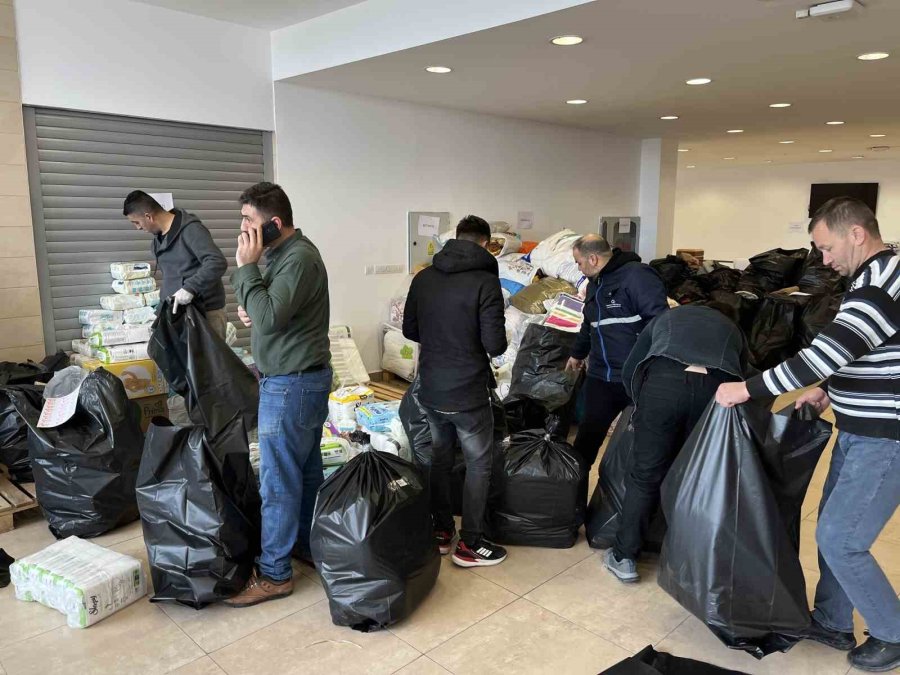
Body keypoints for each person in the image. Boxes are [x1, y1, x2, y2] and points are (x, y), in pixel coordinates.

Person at [716, 197, 900, 673]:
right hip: (860, 428)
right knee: (831, 532)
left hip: (885, 437)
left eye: (826, 246)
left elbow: (824, 353)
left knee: (841, 537)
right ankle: (834, 621)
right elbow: (859, 354)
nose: (823, 259)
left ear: (856, 234)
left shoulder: (881, 283)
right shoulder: (871, 279)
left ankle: (892, 632)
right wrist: (826, 391)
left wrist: (748, 388)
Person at [224, 182, 332, 608]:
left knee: (277, 481)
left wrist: (246, 270)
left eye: (248, 220)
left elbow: (269, 316)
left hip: (292, 384)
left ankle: (274, 574)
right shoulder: (282, 256)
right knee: (304, 474)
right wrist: (251, 303)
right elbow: (268, 312)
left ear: (274, 223)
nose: (243, 229)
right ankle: (306, 545)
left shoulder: (299, 258)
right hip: (294, 381)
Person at [603, 304, 750, 583]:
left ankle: (625, 557)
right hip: (715, 391)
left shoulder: (665, 318)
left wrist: (639, 405)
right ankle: (688, 560)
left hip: (663, 386)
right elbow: (747, 373)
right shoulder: (731, 327)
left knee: (645, 475)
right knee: (699, 477)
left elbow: (632, 366)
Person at [403, 215, 508, 568]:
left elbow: (409, 329)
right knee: (479, 463)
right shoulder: (485, 282)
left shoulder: (424, 278)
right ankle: (472, 543)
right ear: (485, 243)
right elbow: (495, 344)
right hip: (467, 391)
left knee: (440, 458)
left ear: (456, 239)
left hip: (431, 387)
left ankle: (442, 531)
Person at [565, 234, 668, 505]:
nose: (578, 268)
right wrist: (577, 353)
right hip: (602, 377)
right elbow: (590, 324)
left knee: (645, 446)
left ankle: (637, 508)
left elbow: (659, 323)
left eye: (578, 262)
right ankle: (571, 508)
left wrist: (649, 364)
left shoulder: (637, 277)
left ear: (593, 258)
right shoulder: (595, 283)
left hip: (637, 377)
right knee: (586, 442)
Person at [123, 191, 228, 336]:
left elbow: (216, 262)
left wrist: (190, 288)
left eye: (137, 222)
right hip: (178, 314)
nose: (138, 228)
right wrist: (159, 311)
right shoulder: (158, 240)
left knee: (207, 359)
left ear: (149, 216)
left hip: (205, 313)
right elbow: (172, 277)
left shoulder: (191, 230)